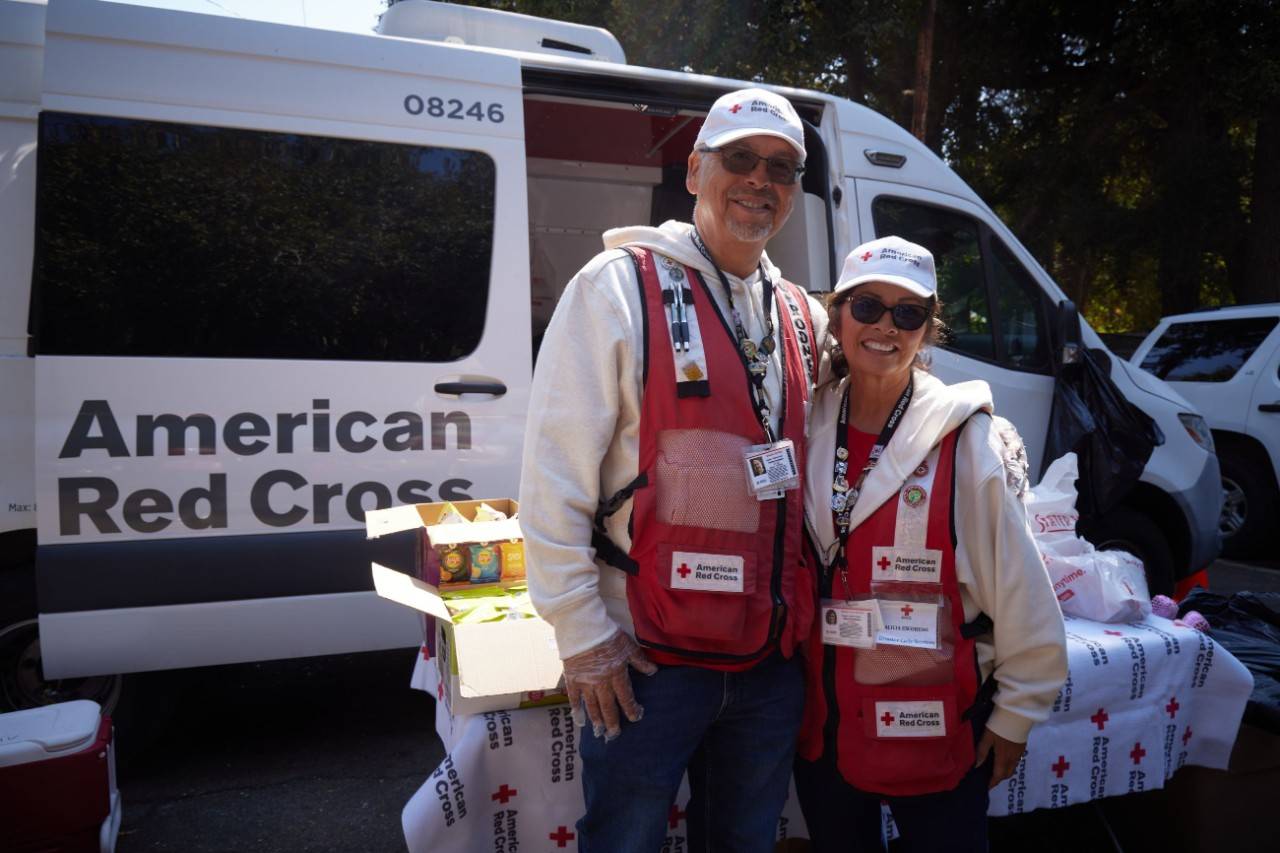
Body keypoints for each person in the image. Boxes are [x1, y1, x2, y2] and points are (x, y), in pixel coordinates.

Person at [519, 87, 827, 852]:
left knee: (744, 839)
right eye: (742, 159)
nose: (761, 180)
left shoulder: (800, 315)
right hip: (648, 659)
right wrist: (581, 634)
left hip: (764, 660)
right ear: (695, 171)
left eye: (782, 168)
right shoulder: (615, 288)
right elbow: (552, 475)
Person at [794, 237, 1068, 852]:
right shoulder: (807, 420)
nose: (885, 326)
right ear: (837, 315)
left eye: (908, 313)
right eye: (867, 307)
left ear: (927, 328)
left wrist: (1019, 712)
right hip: (827, 727)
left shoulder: (968, 441)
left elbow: (1020, 586)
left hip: (938, 725)